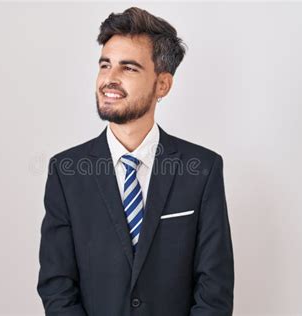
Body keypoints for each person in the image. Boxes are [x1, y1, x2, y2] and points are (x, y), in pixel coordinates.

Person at [37, 6, 234, 316]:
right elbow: (57, 285)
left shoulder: (203, 169)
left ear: (162, 85)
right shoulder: (66, 172)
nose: (109, 79)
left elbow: (215, 288)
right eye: (105, 65)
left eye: (128, 68)